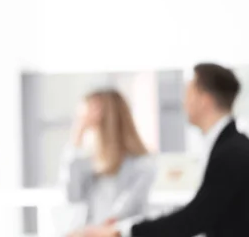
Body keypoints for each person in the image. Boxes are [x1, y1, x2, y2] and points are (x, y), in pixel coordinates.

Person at [72, 63, 249, 237]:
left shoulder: (232, 152)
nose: (183, 101)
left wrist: (121, 232)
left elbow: (196, 217)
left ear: (205, 100)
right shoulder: (228, 147)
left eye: (188, 92)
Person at [61, 89, 156, 227]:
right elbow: (71, 198)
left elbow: (124, 211)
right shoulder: (86, 162)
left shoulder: (142, 165)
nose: (85, 117)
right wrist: (77, 137)